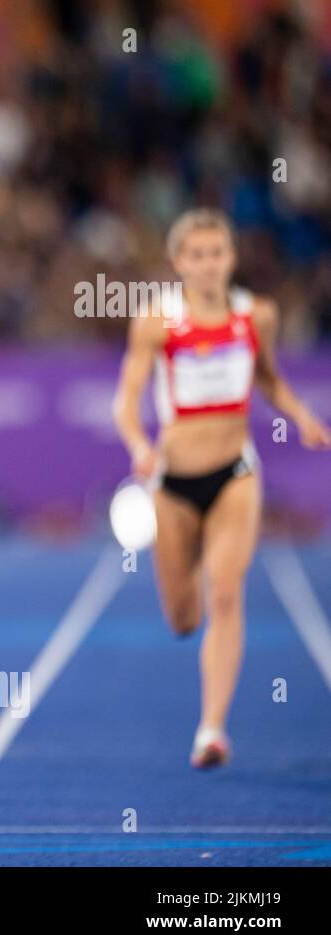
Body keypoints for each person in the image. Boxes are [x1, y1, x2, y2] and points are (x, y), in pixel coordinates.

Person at [112, 208, 331, 768]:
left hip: (237, 472)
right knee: (183, 617)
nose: (209, 265)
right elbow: (126, 400)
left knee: (227, 591)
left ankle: (211, 728)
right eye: (198, 255)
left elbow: (269, 379)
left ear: (232, 258)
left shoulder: (257, 315)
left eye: (219, 253)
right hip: (174, 481)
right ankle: (193, 588)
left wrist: (301, 416)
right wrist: (139, 444)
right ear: (179, 262)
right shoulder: (157, 322)